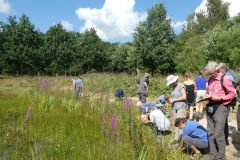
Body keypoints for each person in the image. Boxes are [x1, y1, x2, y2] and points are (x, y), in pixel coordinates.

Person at [205, 61, 236, 160]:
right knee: (210, 133)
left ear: (217, 70)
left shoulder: (225, 78)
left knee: (218, 134)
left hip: (221, 107)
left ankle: (221, 157)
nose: (210, 75)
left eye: (211, 73)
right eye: (208, 73)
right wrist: (207, 96)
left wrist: (221, 98)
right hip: (210, 106)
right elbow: (209, 91)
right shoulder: (210, 79)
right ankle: (212, 156)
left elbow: (232, 94)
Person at [167, 75, 187, 145]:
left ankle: (183, 141)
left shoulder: (181, 85)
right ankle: (176, 140)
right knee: (176, 124)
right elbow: (174, 97)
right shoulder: (173, 87)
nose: (171, 84)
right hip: (174, 107)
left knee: (181, 123)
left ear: (176, 80)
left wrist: (174, 100)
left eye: (172, 82)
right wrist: (171, 100)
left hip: (181, 107)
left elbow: (184, 96)